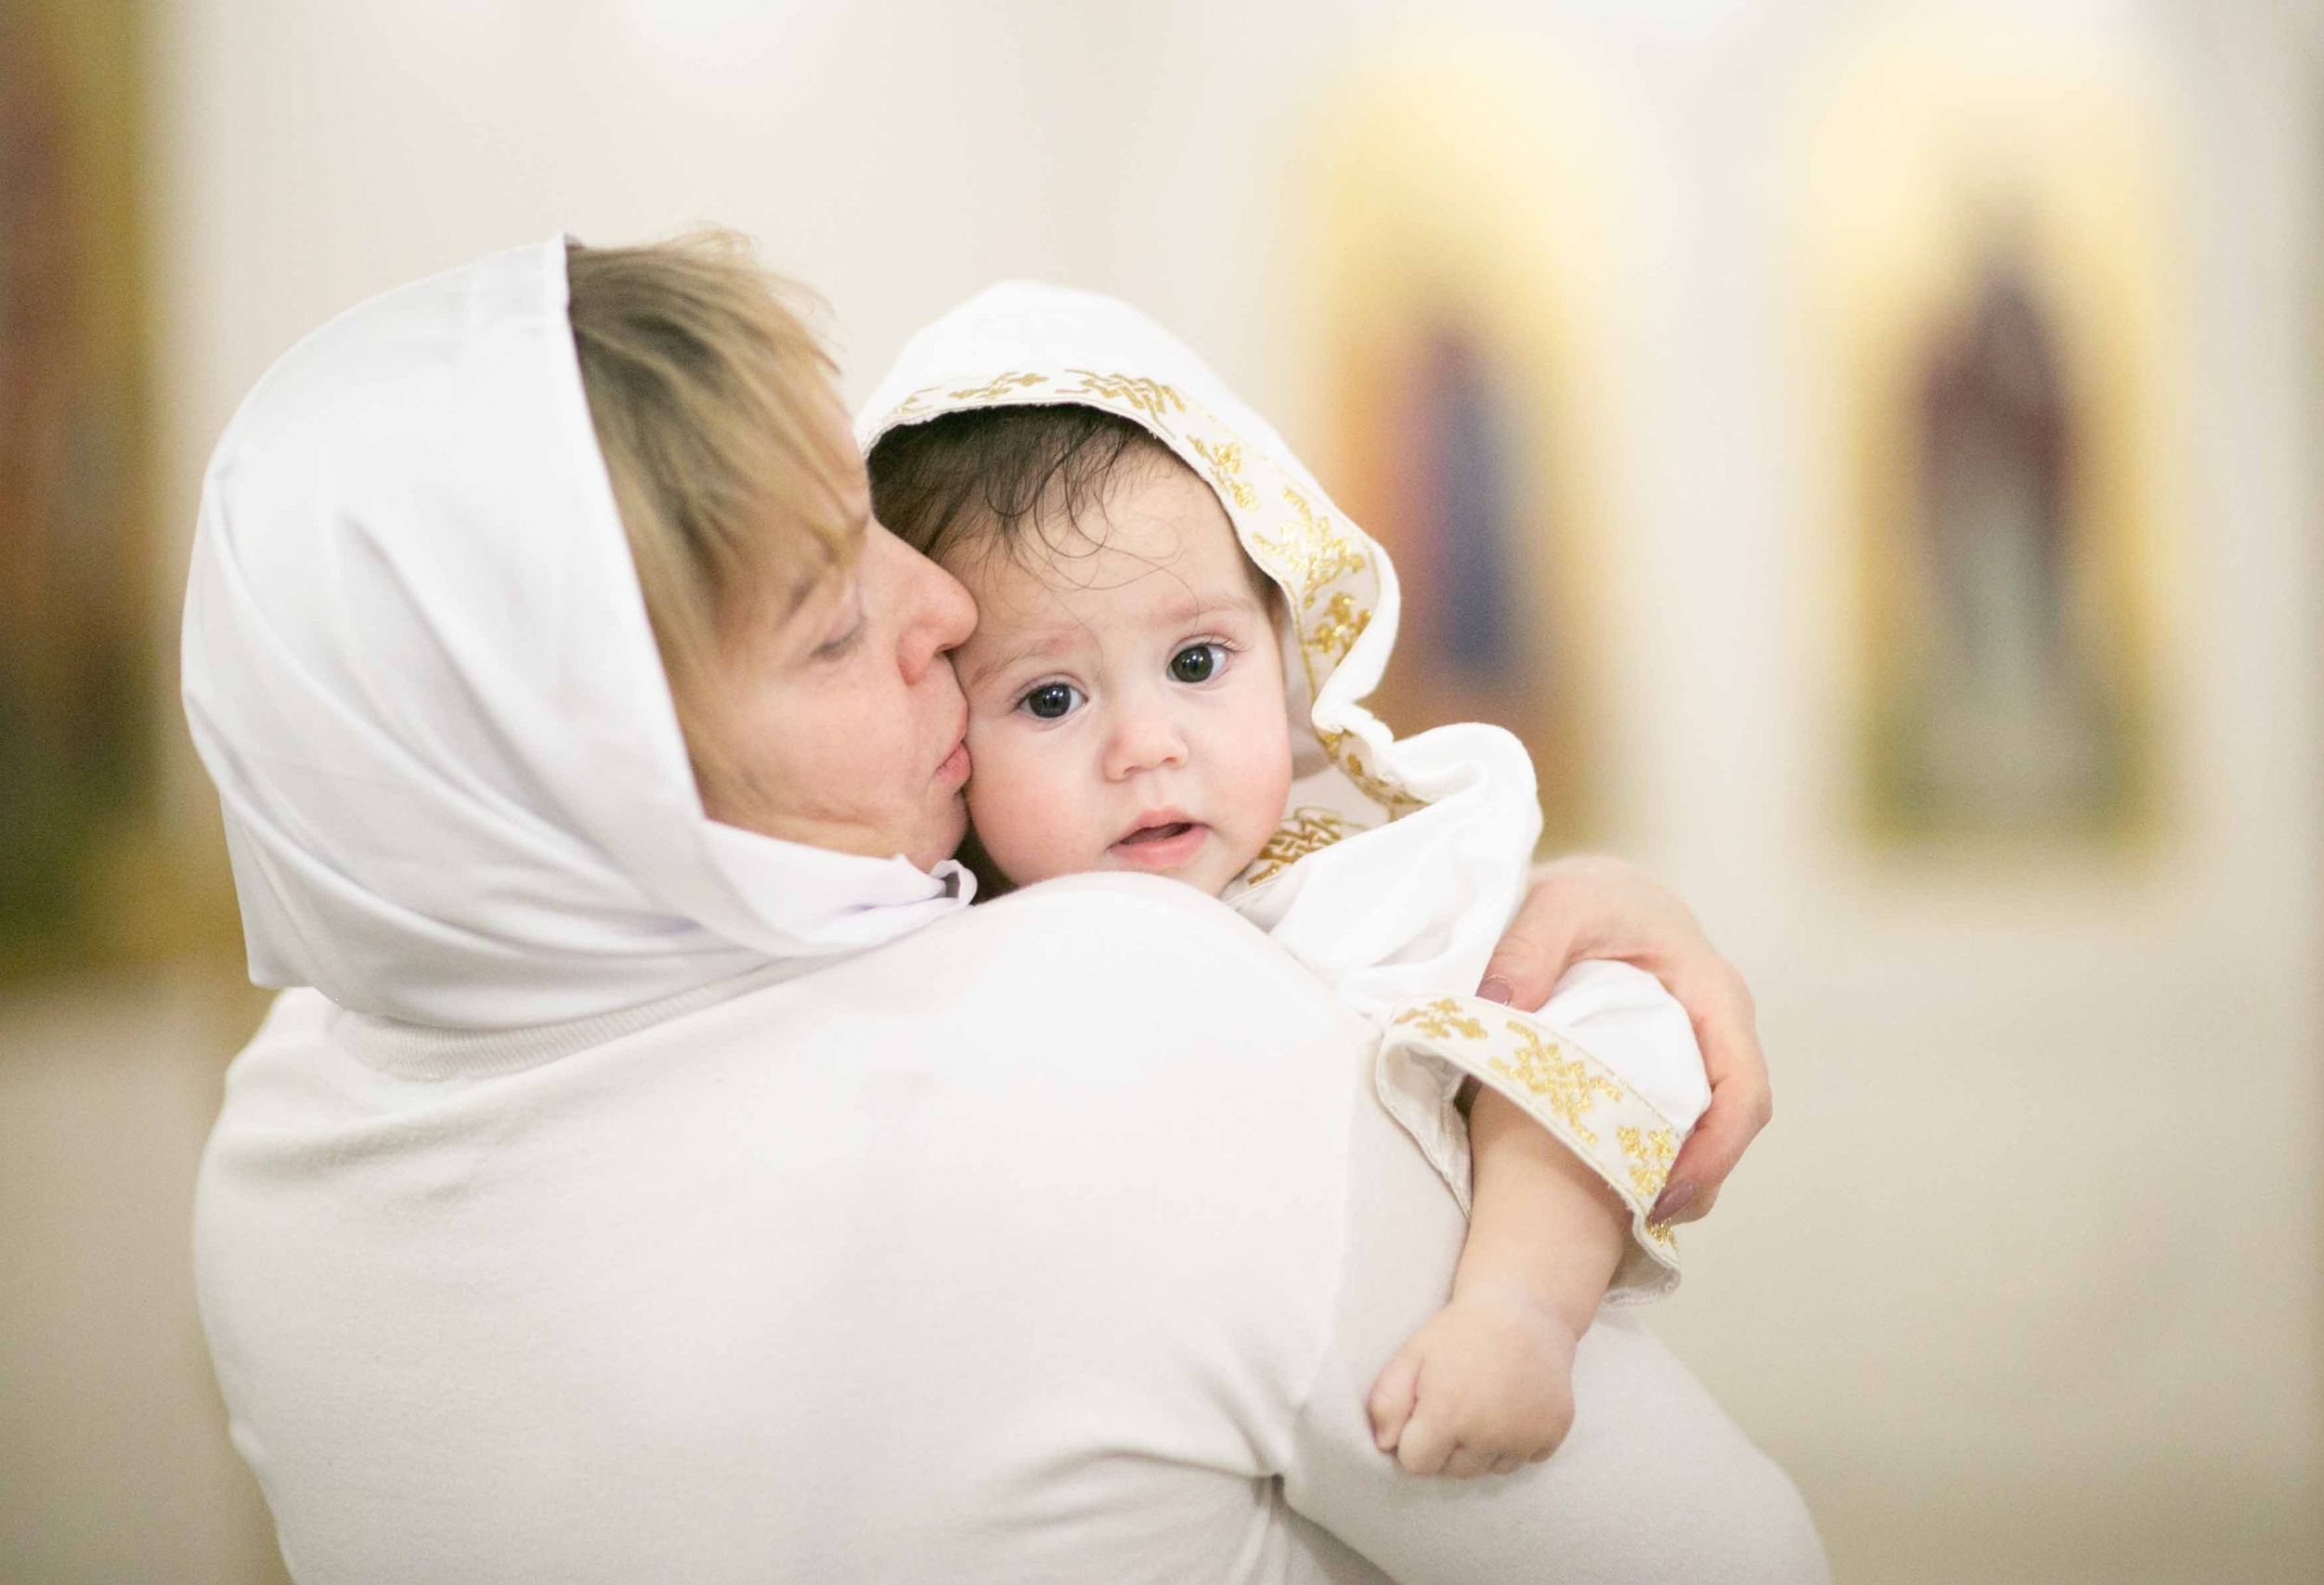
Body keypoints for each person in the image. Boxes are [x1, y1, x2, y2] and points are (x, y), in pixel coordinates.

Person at [182, 231, 1822, 1582]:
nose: (946, 603)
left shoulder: (275, 1152)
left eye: (867, 523)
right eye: (832, 626)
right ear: (592, 785)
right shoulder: (1115, 1012)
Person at [862, 283, 1710, 1479]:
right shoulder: (928, 954)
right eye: (1050, 697)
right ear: (944, 722)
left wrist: (1520, 1312)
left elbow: (1596, 1048)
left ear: (1287, 650)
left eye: (1196, 662)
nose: (1145, 744)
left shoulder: (1365, 886)